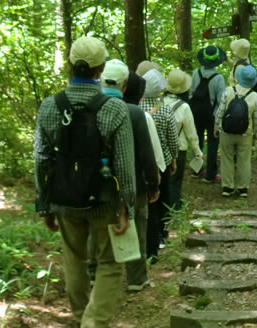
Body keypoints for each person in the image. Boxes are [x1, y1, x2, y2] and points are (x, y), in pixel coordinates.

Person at [34, 36, 136, 328]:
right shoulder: (114, 109)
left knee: (74, 260)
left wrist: (45, 205)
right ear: (101, 68)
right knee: (109, 264)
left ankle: (81, 318)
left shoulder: (49, 106)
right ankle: (94, 323)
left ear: (70, 64)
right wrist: (126, 205)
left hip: (65, 199)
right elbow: (124, 164)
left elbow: (41, 159)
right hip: (104, 200)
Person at [99, 61, 160, 292]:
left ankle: (95, 274)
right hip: (134, 182)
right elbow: (146, 153)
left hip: (99, 182)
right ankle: (136, 278)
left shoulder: (93, 108)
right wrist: (153, 183)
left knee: (100, 228)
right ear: (125, 84)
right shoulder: (135, 113)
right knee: (137, 226)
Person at [138, 68, 178, 252]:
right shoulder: (165, 110)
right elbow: (172, 139)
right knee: (162, 199)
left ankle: (146, 237)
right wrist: (173, 159)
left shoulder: (135, 109)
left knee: (145, 200)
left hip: (142, 162)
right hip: (162, 162)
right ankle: (161, 235)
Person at [213, 64, 257, 197]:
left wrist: (216, 127)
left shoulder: (229, 91)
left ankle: (227, 187)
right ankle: (242, 188)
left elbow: (220, 111)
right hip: (246, 133)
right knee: (244, 160)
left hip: (227, 131)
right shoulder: (254, 96)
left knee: (226, 158)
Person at [163, 68, 202, 210]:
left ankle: (162, 208)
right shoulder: (184, 107)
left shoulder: (159, 102)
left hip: (161, 148)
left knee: (162, 179)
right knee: (175, 181)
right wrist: (198, 152)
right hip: (179, 148)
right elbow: (192, 133)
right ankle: (175, 210)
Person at [189, 45, 227, 184]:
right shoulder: (218, 78)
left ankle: (196, 170)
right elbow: (221, 100)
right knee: (212, 143)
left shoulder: (195, 73)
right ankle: (210, 175)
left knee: (196, 140)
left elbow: (191, 92)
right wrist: (218, 120)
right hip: (211, 114)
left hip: (195, 112)